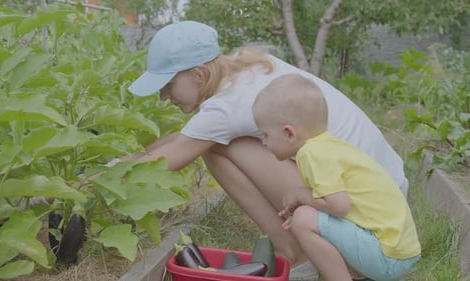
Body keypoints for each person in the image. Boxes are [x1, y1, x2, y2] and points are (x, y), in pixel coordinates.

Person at [112, 20, 409, 280]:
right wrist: (123, 161)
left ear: (199, 74)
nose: (164, 97)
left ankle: (299, 252)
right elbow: (185, 137)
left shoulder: (225, 108)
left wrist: (99, 180)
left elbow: (171, 157)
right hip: (385, 201)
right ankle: (298, 246)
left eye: (168, 85)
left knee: (214, 147)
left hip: (365, 230)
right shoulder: (248, 68)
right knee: (215, 142)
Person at [252, 73, 421, 281]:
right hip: (399, 251)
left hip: (388, 255)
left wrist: (301, 196)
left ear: (289, 133)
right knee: (308, 219)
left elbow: (339, 206)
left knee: (304, 219)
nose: (263, 143)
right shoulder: (329, 146)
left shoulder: (312, 154)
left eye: (265, 135)